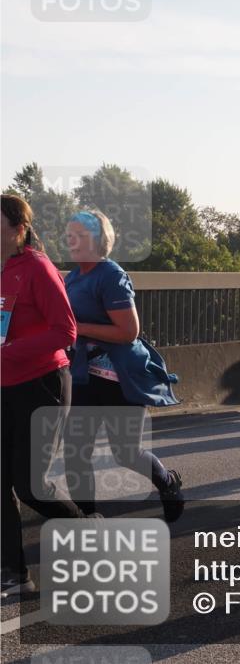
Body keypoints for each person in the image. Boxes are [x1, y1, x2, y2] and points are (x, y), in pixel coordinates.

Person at [61, 211, 184, 523]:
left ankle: (166, 481)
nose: (70, 240)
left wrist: (81, 328)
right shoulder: (72, 278)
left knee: (125, 452)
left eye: (78, 235)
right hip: (82, 378)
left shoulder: (111, 275)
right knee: (76, 454)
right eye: (69, 234)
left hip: (118, 379)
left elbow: (128, 332)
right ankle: (87, 519)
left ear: (97, 240)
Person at [1, 195, 86, 597]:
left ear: (17, 230)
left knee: (31, 485)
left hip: (42, 383)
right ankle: (16, 575)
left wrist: (10, 352)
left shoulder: (37, 267)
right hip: (2, 386)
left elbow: (65, 331)